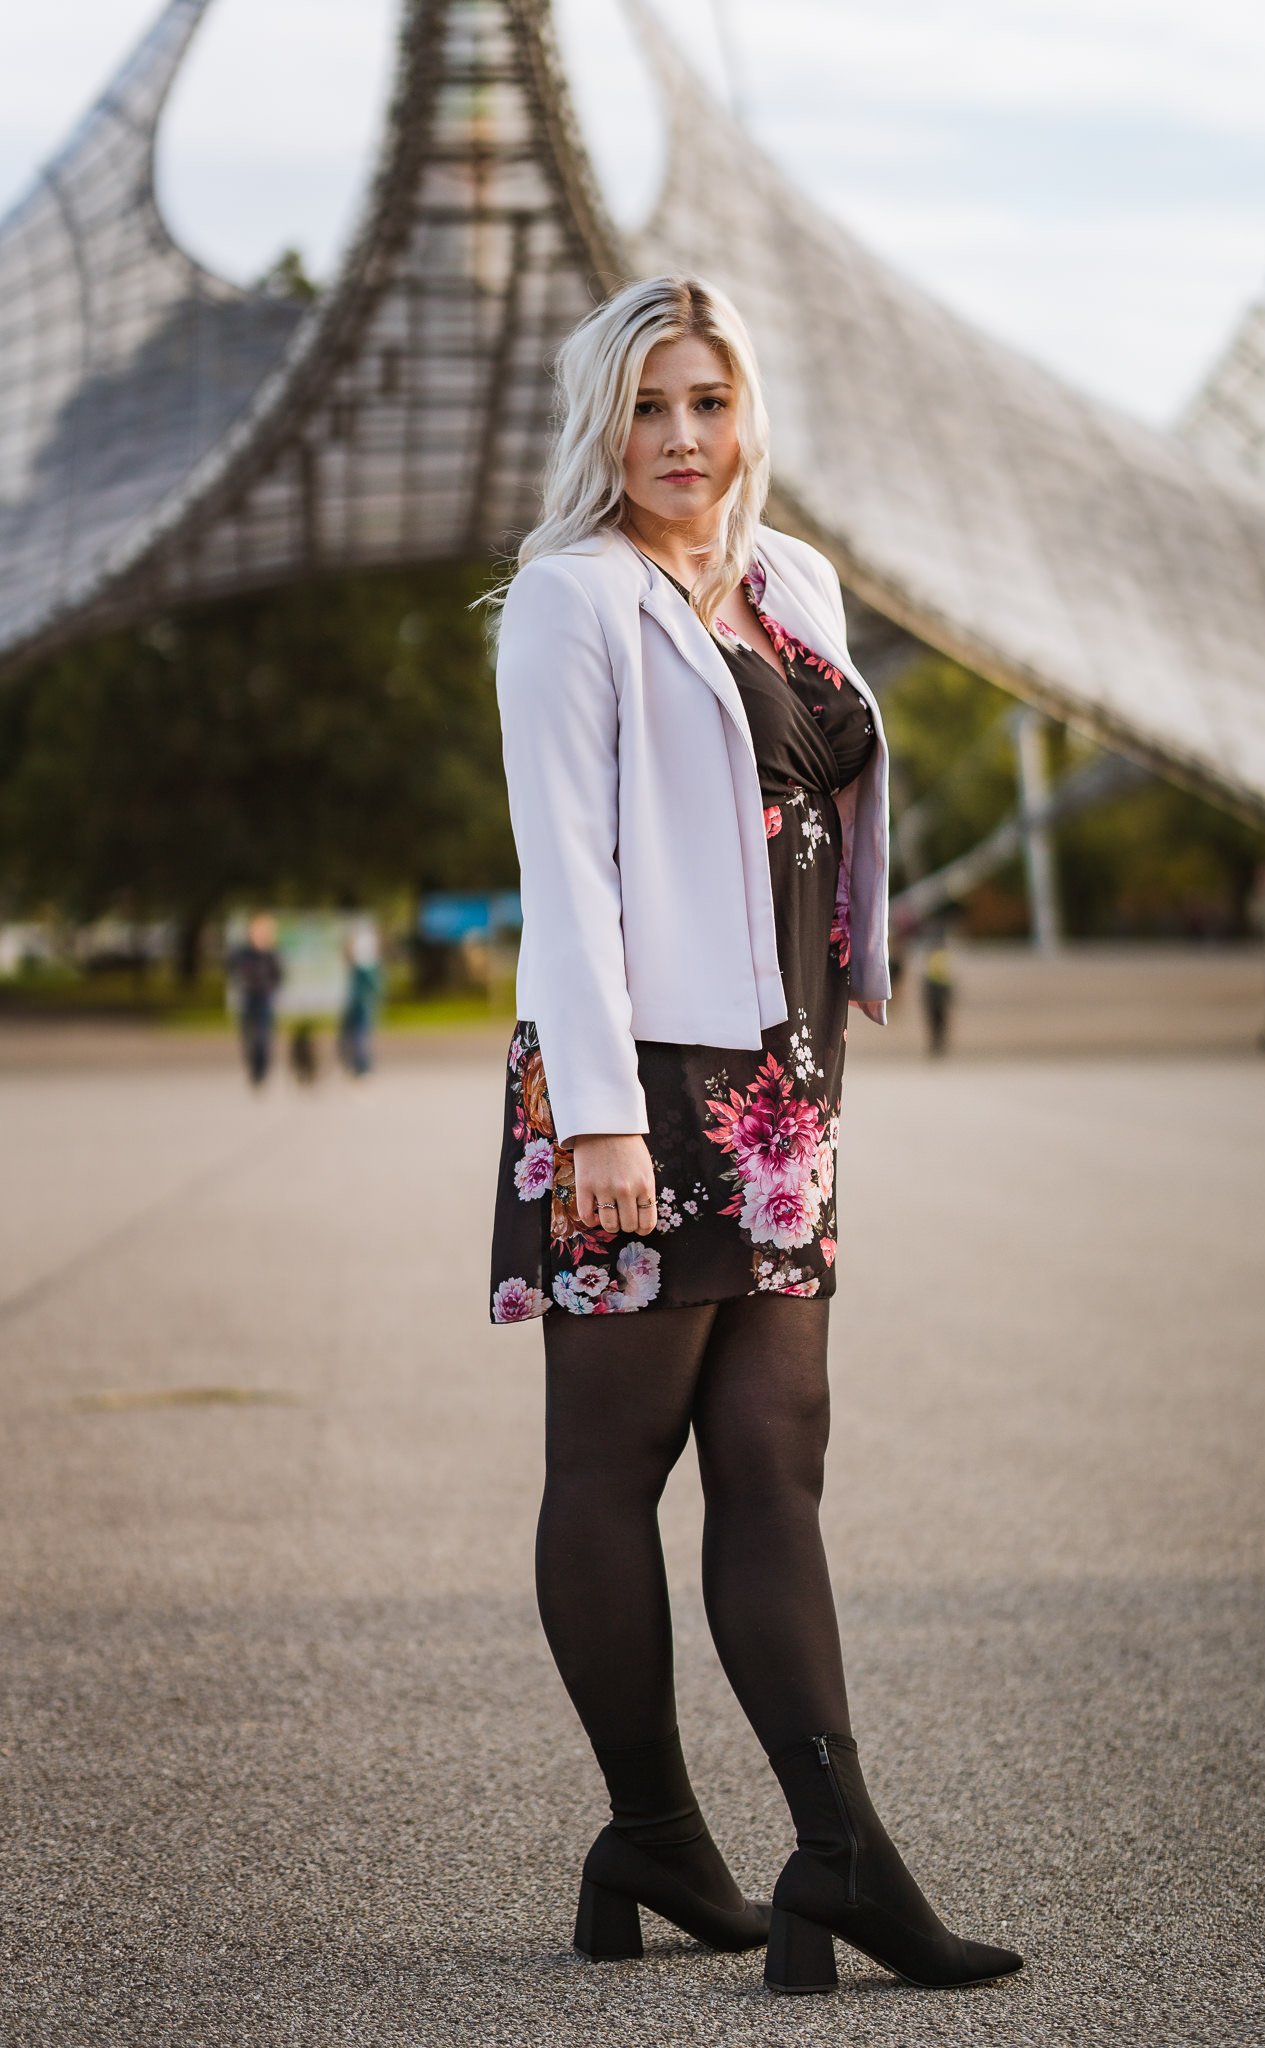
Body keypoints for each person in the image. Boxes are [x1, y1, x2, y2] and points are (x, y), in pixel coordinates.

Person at [484, 275, 1023, 1996]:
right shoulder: (571, 600)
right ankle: (650, 1825)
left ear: (748, 411)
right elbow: (564, 871)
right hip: (637, 1079)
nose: (683, 441)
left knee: (779, 1459)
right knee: (611, 1466)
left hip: (782, 1088)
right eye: (649, 407)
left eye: (708, 402)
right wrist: (597, 1117)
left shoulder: (795, 585)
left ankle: (837, 1854)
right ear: (603, 425)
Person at [227, 912, 283, 1088]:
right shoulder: (243, 953)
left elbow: (279, 975)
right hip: (249, 997)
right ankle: (253, 1068)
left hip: (265, 998)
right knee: (248, 1036)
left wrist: (271, 987)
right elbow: (233, 969)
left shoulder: (271, 954)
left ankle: (261, 1070)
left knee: (263, 1037)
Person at [338, 931, 383, 1077]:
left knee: (359, 1036)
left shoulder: (364, 967)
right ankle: (357, 1064)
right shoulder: (364, 966)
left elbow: (374, 987)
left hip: (361, 1005)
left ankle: (361, 1066)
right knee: (356, 1035)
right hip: (358, 1004)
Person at [921, 932, 955, 1056]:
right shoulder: (943, 956)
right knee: (939, 1022)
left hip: (935, 992)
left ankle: (937, 1044)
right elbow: (946, 978)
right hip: (938, 992)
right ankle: (938, 1044)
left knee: (936, 1023)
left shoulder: (934, 957)